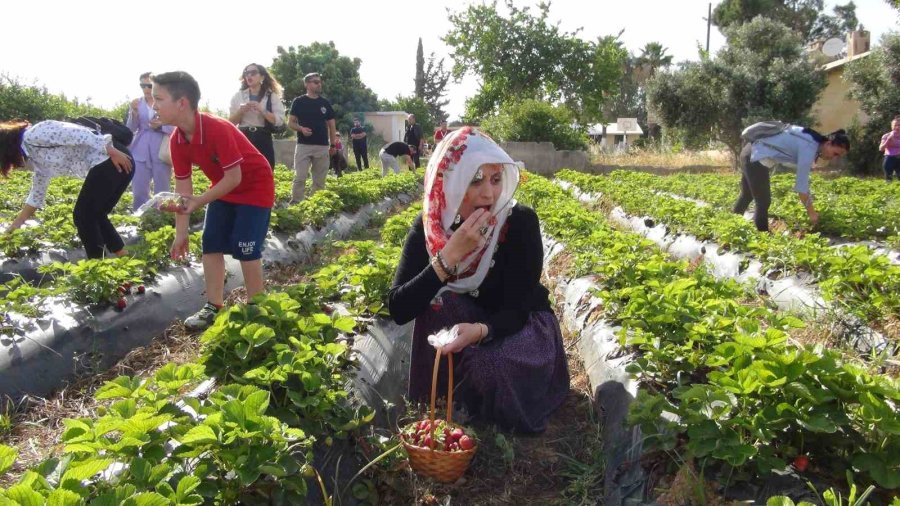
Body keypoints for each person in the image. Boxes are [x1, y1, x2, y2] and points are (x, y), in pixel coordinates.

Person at [388, 127, 569, 433]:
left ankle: (490, 414)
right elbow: (399, 308)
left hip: (519, 326)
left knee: (490, 366)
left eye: (496, 180)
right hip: (467, 324)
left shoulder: (519, 223)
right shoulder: (431, 227)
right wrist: (448, 259)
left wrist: (481, 331)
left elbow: (518, 308)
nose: (489, 194)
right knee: (438, 305)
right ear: (450, 183)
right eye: (475, 181)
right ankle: (446, 407)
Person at [151, 71, 275, 331]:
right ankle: (214, 306)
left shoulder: (216, 128)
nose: (154, 105)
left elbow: (234, 176)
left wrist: (198, 202)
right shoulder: (177, 140)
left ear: (181, 102)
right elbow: (183, 190)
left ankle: (256, 307)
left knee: (246, 247)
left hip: (254, 186)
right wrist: (181, 233)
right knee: (211, 244)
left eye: (158, 99)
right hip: (224, 189)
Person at [0, 120, 134, 258]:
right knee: (96, 215)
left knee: (83, 215)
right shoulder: (36, 158)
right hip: (113, 160)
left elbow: (76, 133)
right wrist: (13, 228)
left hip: (112, 158)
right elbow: (36, 195)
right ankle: (124, 259)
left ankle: (96, 266)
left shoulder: (34, 134)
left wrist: (110, 150)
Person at [732, 125, 850, 232]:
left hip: (750, 152)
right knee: (763, 202)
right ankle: (762, 238)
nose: (834, 158)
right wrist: (812, 213)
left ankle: (732, 225)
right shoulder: (809, 148)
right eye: (835, 153)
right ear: (829, 143)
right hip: (754, 156)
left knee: (747, 195)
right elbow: (801, 188)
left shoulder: (812, 141)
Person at [287, 72, 337, 204]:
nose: (319, 84)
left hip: (322, 146)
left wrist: (333, 145)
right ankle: (296, 205)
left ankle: (316, 206)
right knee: (300, 177)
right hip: (303, 145)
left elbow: (332, 126)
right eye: (315, 82)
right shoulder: (298, 101)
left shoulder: (324, 103)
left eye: (319, 82)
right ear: (307, 84)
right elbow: (290, 122)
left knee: (319, 180)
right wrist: (301, 129)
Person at [127, 72, 174, 210]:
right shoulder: (137, 103)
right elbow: (130, 128)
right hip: (140, 149)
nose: (146, 89)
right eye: (143, 85)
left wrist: (161, 125)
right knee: (139, 189)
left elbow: (175, 126)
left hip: (161, 149)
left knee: (162, 189)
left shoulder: (166, 103)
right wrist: (134, 113)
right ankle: (140, 218)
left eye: (149, 85)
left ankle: (162, 220)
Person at [228, 63, 285, 171]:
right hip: (243, 136)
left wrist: (263, 110)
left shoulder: (272, 96)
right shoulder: (238, 96)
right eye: (246, 73)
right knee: (243, 171)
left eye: (253, 73)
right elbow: (230, 123)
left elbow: (279, 121)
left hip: (263, 137)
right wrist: (240, 111)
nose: (249, 76)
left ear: (262, 77)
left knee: (265, 171)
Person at [878, 116, 900, 182]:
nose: (897, 127)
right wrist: (888, 140)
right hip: (889, 158)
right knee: (888, 179)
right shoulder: (886, 136)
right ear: (891, 126)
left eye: (899, 125)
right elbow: (881, 149)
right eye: (895, 125)